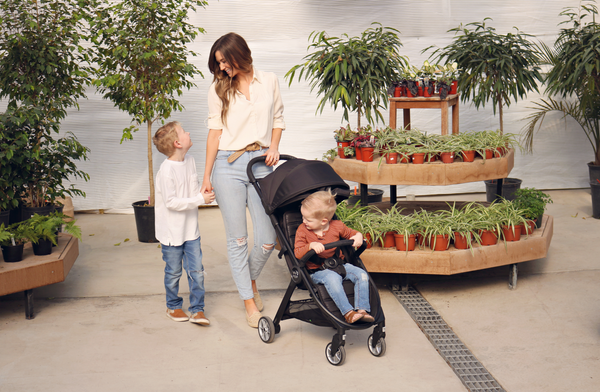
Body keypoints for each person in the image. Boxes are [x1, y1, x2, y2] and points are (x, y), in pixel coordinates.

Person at [202, 32, 285, 328]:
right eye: (219, 63)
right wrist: (207, 175)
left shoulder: (270, 80)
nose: (222, 68)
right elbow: (214, 132)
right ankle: (249, 302)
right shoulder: (218, 89)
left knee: (267, 238)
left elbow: (277, 119)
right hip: (228, 164)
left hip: (262, 162)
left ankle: (248, 281)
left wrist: (273, 147)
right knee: (238, 239)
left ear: (240, 54)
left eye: (225, 61)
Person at [153, 121, 215, 325]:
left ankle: (197, 309)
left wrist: (203, 192)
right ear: (178, 143)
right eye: (183, 131)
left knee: (196, 271)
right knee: (173, 272)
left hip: (191, 231)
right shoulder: (166, 171)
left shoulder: (190, 161)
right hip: (171, 234)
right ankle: (173, 306)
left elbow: (193, 189)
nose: (188, 132)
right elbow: (171, 203)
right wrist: (199, 200)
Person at [294, 190, 375, 324]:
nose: (303, 221)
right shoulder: (302, 230)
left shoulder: (337, 226)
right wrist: (310, 246)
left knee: (362, 274)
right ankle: (348, 313)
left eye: (308, 219)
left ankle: (362, 310)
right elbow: (297, 253)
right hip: (317, 271)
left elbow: (351, 233)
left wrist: (358, 236)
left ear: (323, 221)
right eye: (303, 217)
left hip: (339, 265)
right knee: (333, 278)